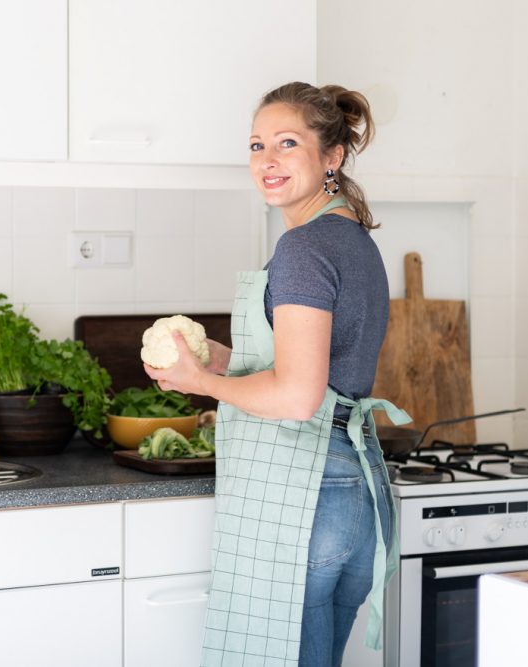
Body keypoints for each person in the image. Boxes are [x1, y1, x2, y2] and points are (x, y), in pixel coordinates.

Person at [144, 82, 411, 667]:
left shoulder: (303, 249)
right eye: (257, 144)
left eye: (288, 143)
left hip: (305, 494)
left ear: (332, 156)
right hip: (354, 494)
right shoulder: (354, 241)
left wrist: (203, 384)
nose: (267, 160)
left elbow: (295, 395)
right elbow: (317, 362)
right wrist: (217, 359)